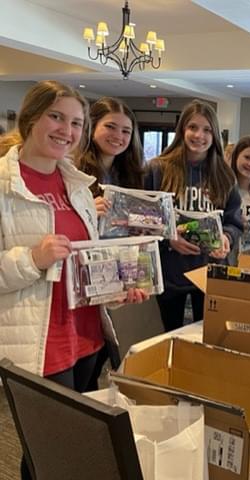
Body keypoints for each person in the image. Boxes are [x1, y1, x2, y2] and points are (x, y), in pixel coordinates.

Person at [0, 80, 146, 480]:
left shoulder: (77, 186)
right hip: (38, 343)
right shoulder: (4, 184)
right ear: (31, 117)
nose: (67, 130)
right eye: (57, 117)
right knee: (50, 450)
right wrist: (32, 258)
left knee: (67, 447)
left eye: (77, 123)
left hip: (85, 336)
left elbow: (85, 262)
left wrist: (116, 289)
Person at [144, 99, 242, 332]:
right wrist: (168, 237)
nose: (199, 135)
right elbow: (141, 219)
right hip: (167, 272)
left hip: (209, 272)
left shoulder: (225, 175)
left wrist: (227, 237)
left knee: (206, 337)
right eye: (193, 127)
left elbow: (234, 221)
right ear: (182, 130)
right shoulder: (157, 169)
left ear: (215, 134)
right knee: (163, 338)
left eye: (207, 129)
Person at [76, 96, 145, 389]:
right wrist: (88, 207)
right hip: (86, 274)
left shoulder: (131, 174)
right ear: (92, 127)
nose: (118, 136)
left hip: (120, 273)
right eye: (111, 127)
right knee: (85, 361)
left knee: (107, 353)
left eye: (126, 131)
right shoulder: (75, 171)